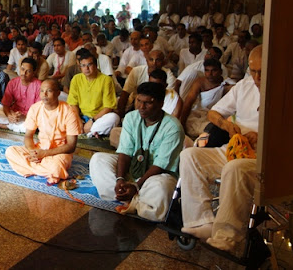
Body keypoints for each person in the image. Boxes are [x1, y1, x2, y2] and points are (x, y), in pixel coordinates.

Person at [179, 46, 263, 253]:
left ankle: (228, 235)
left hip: (266, 157)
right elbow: (214, 113)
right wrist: (227, 125)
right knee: (189, 155)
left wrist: (262, 138)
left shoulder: (288, 92)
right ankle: (201, 221)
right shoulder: (244, 86)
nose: (257, 77)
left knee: (234, 168)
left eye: (263, 71)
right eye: (253, 71)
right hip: (236, 148)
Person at [89, 82, 184, 221]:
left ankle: (128, 198)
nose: (141, 107)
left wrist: (136, 186)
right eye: (138, 101)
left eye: (148, 103)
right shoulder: (131, 117)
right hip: (133, 169)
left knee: (161, 188)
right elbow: (125, 151)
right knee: (98, 159)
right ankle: (132, 198)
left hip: (157, 176)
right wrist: (120, 179)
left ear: (161, 104)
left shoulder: (173, 127)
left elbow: (160, 165)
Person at [5, 79, 82, 184]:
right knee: (10, 151)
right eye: (41, 91)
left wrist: (45, 154)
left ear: (58, 93)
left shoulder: (69, 111)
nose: (44, 94)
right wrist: (33, 152)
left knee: (56, 167)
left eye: (49, 91)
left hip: (59, 153)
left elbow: (71, 146)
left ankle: (35, 168)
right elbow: (28, 136)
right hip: (39, 149)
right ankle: (44, 170)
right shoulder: (35, 108)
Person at [67, 53, 119, 137]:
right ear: (80, 68)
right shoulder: (76, 79)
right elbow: (73, 103)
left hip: (98, 118)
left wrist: (92, 120)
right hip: (81, 116)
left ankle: (88, 131)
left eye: (89, 65)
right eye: (83, 65)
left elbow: (108, 107)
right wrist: (78, 120)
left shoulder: (106, 80)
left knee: (114, 118)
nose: (86, 68)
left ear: (95, 65)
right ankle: (92, 132)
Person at [179, 58, 231, 140]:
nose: (210, 74)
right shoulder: (200, 82)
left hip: (216, 116)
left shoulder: (227, 85)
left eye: (214, 71)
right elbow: (188, 103)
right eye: (207, 70)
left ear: (220, 72)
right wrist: (181, 124)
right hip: (198, 115)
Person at [117, 50, 176, 117]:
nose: (154, 63)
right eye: (151, 60)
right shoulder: (136, 71)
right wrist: (121, 116)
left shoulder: (169, 76)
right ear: (146, 61)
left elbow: (169, 97)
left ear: (164, 62)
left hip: (159, 108)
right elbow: (125, 94)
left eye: (158, 60)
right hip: (136, 105)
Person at [0, 58, 42, 132]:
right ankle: (12, 124)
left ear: (34, 73)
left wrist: (25, 117)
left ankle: (4, 126)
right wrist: (10, 115)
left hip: (31, 116)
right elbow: (6, 104)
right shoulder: (13, 82)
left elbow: (39, 110)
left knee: (33, 125)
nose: (23, 73)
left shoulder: (39, 85)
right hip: (15, 113)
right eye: (22, 69)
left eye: (28, 71)